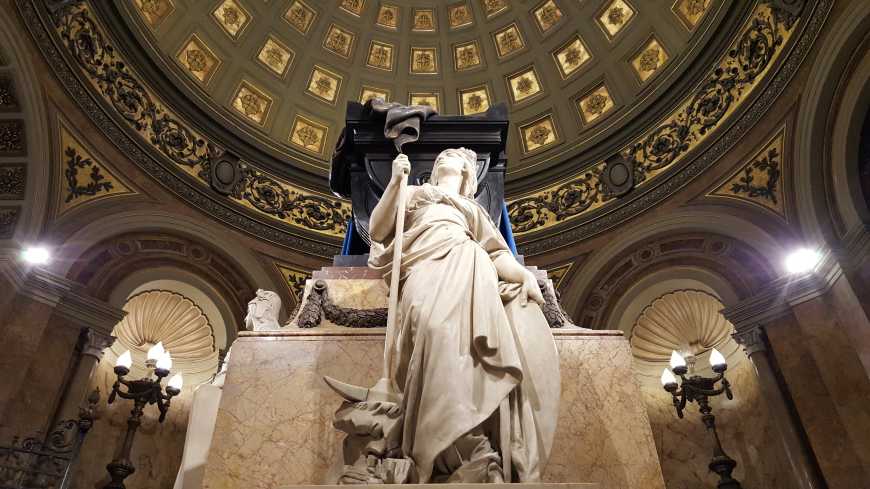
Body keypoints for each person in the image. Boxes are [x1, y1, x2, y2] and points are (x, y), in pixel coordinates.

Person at [368, 148, 560, 483]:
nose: (443, 159)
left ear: (468, 173)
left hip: (467, 264)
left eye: (453, 157)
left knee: (465, 353)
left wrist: (524, 276)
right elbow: (378, 229)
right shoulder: (415, 193)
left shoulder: (473, 209)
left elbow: (498, 253)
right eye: (439, 156)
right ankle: (432, 445)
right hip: (423, 269)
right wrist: (395, 181)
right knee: (430, 328)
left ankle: (466, 443)